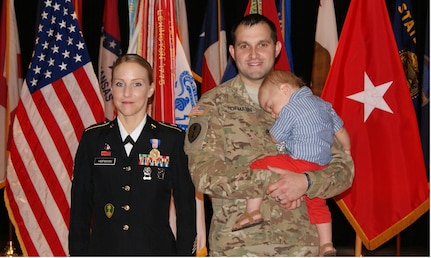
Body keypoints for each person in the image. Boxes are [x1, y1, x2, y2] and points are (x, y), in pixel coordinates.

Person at [184, 13, 354, 256]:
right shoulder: (213, 105)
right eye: (245, 46)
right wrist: (276, 182)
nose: (253, 55)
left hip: (303, 247)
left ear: (276, 48)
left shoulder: (309, 104)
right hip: (241, 247)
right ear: (232, 52)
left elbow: (344, 170)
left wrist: (305, 182)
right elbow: (203, 174)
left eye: (262, 45)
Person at [69, 54, 197, 256]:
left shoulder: (172, 139)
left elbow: (186, 212)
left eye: (137, 84)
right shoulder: (92, 139)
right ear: (111, 87)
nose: (127, 93)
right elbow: (79, 211)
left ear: (151, 89)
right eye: (120, 84)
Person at [231, 70, 351, 256]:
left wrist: (277, 143)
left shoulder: (290, 109)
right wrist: (348, 150)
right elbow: (341, 132)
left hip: (299, 162)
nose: (272, 114)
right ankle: (327, 245)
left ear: (285, 89)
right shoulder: (323, 104)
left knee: (258, 165)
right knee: (318, 206)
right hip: (321, 168)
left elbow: (274, 137)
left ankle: (253, 210)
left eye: (271, 107)